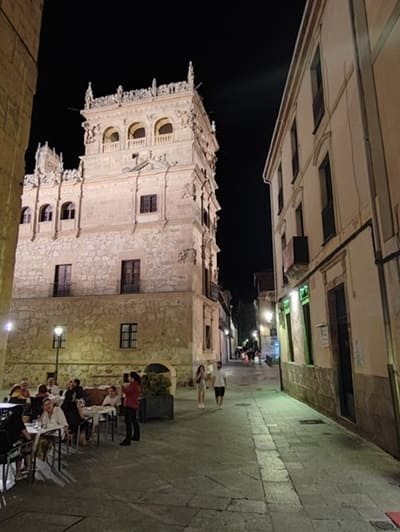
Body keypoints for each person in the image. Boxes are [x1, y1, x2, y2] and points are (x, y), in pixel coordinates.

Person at [0, 404, 32, 480]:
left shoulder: (5, 422)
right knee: (25, 445)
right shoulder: (19, 423)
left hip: (1, 452)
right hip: (8, 454)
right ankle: (21, 472)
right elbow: (29, 437)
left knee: (21, 444)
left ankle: (26, 466)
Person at [120, 371, 141, 445]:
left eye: (129, 376)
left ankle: (127, 440)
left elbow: (128, 393)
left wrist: (122, 387)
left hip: (129, 404)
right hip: (133, 404)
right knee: (134, 421)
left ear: (132, 378)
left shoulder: (133, 385)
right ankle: (136, 435)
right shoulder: (137, 384)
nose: (128, 378)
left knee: (128, 422)